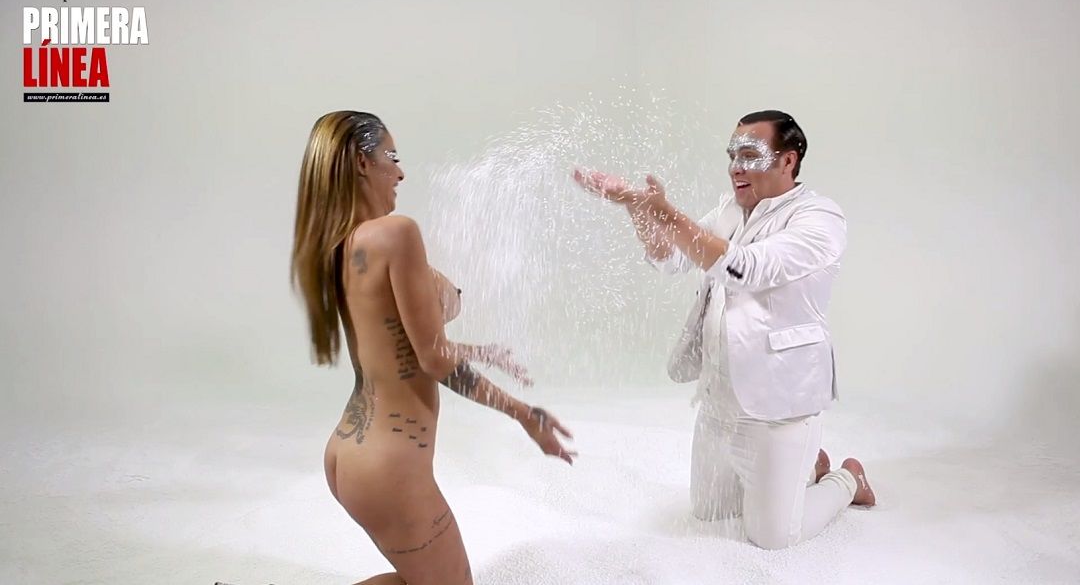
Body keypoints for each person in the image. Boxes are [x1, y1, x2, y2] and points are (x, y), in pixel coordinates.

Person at [291, 111, 575, 584]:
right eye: (392, 156)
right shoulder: (396, 233)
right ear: (362, 162)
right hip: (389, 466)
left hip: (349, 453)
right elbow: (434, 359)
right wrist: (525, 414)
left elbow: (395, 347)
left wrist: (475, 350)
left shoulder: (340, 246)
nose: (400, 172)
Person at [572, 110, 875, 550]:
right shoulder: (729, 211)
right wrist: (638, 210)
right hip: (718, 399)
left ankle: (847, 479)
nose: (736, 166)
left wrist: (667, 214)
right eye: (733, 155)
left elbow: (745, 269)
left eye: (750, 155)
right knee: (710, 513)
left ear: (788, 160)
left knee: (773, 537)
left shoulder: (820, 218)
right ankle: (806, 469)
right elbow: (670, 259)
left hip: (777, 405)